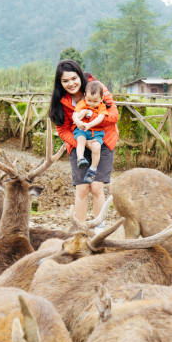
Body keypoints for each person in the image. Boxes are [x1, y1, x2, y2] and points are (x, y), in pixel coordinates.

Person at [49, 60, 119, 228]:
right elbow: (63, 130)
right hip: (78, 142)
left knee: (96, 187)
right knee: (82, 189)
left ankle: (98, 231)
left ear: (80, 75)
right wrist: (84, 142)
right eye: (65, 81)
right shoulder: (61, 101)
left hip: (103, 141)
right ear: (60, 83)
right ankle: (78, 231)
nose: (71, 84)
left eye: (74, 78)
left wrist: (92, 122)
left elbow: (114, 115)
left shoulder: (96, 87)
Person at [72, 80, 108, 183]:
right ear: (85, 96)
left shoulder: (102, 106)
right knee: (81, 139)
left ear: (101, 99)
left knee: (97, 147)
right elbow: (75, 114)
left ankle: (93, 169)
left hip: (95, 132)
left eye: (95, 101)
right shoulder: (82, 103)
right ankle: (80, 158)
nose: (91, 104)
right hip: (82, 129)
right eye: (89, 100)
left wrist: (90, 124)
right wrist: (78, 121)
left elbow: (100, 118)